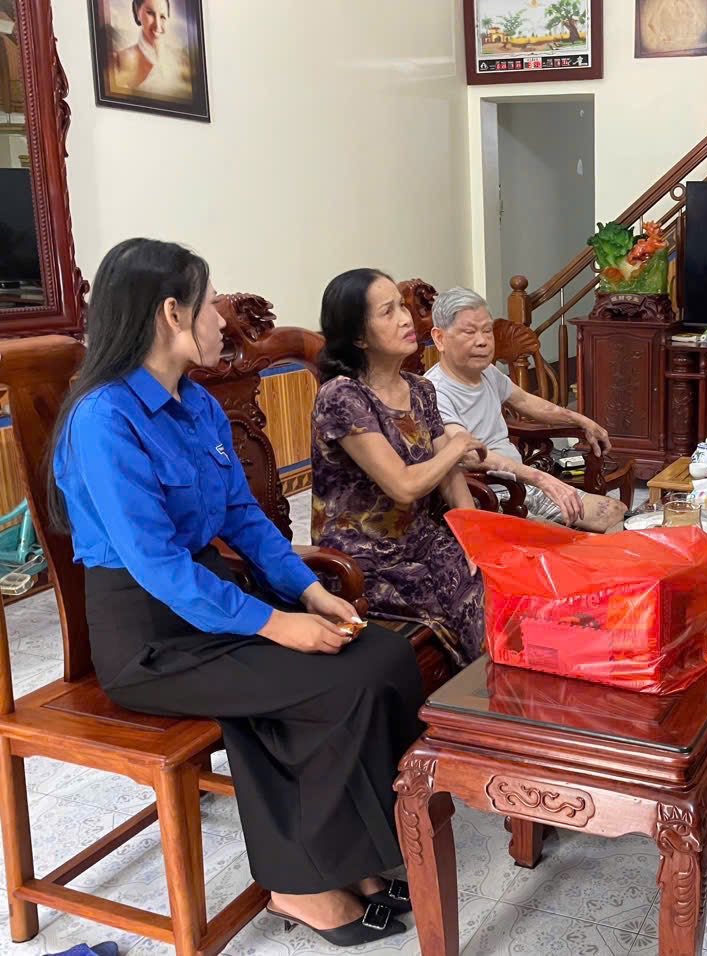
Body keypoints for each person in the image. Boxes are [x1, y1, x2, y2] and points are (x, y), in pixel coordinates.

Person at [51, 240, 422, 946]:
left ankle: (353, 859)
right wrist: (273, 625)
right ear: (172, 314)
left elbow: (243, 517)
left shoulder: (194, 403)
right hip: (149, 638)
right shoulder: (104, 419)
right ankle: (301, 884)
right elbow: (158, 566)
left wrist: (307, 593)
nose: (224, 319)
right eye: (211, 303)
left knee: (382, 656)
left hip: (209, 603)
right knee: (334, 683)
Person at [311, 269, 487, 665]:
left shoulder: (420, 388)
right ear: (359, 336)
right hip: (366, 559)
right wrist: (458, 445)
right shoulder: (342, 396)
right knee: (470, 606)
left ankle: (513, 689)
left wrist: (475, 537)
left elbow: (449, 478)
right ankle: (482, 697)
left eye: (402, 307)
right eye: (388, 312)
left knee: (495, 581)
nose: (406, 319)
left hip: (421, 540)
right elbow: (403, 486)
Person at [423, 287, 627, 532]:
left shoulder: (487, 372)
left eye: (487, 330)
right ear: (440, 338)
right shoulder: (433, 391)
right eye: (469, 332)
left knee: (616, 512)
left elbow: (527, 402)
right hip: (486, 496)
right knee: (566, 541)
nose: (482, 341)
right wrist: (540, 477)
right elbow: (468, 454)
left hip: (523, 486)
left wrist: (581, 420)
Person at [111, 0, 179, 97]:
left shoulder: (174, 63)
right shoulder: (120, 61)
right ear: (137, 13)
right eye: (150, 13)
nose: (158, 26)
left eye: (162, 17)